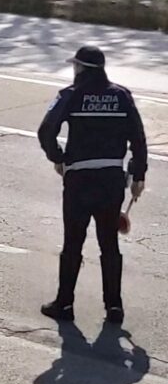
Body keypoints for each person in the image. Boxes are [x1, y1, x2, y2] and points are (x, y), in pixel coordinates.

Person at [38, 45, 147, 324]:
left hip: (80, 179)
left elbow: (46, 130)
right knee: (109, 243)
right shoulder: (121, 96)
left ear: (81, 68)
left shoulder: (70, 95)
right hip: (111, 179)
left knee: (73, 242)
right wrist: (138, 174)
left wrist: (58, 158)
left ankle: (64, 304)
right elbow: (138, 139)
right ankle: (114, 307)